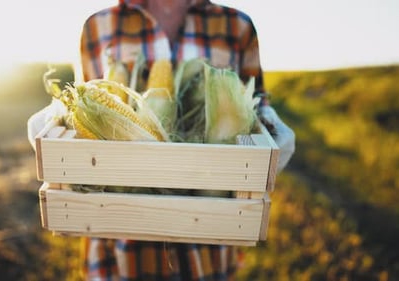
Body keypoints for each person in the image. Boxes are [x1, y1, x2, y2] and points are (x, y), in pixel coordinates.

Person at [28, 0, 295, 280]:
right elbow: (88, 101)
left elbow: (254, 102)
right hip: (119, 243)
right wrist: (56, 116)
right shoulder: (98, 26)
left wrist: (271, 126)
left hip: (210, 241)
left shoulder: (237, 26)